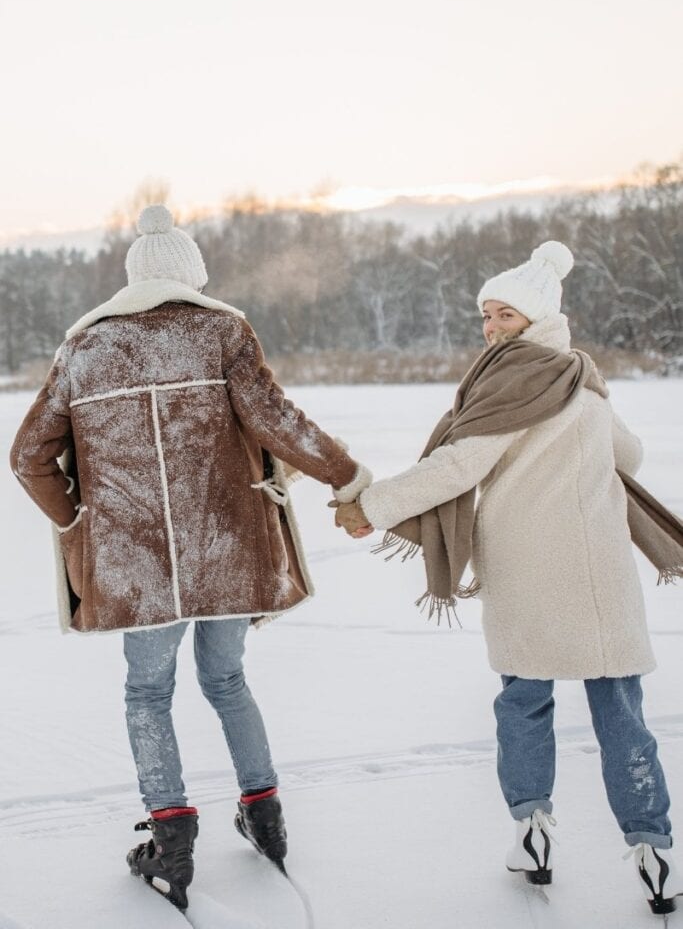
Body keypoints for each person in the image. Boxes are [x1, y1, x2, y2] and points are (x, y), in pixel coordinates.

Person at [9, 204, 371, 910]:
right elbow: (276, 421)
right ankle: (264, 815)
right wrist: (345, 476)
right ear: (192, 275)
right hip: (226, 546)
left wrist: (77, 518)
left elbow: (28, 457)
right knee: (227, 678)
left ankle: (171, 837)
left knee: (148, 692)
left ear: (132, 277)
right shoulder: (220, 331)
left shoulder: (83, 348)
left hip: (133, 561)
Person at [334, 240, 683, 918]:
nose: (489, 327)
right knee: (620, 713)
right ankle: (653, 849)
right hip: (601, 572)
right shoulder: (578, 376)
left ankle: (532, 831)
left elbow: (458, 466)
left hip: (529, 571)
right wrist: (593, 414)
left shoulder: (511, 380)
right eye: (485, 316)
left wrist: (370, 507)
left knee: (524, 704)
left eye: (502, 315)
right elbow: (630, 455)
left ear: (533, 318)